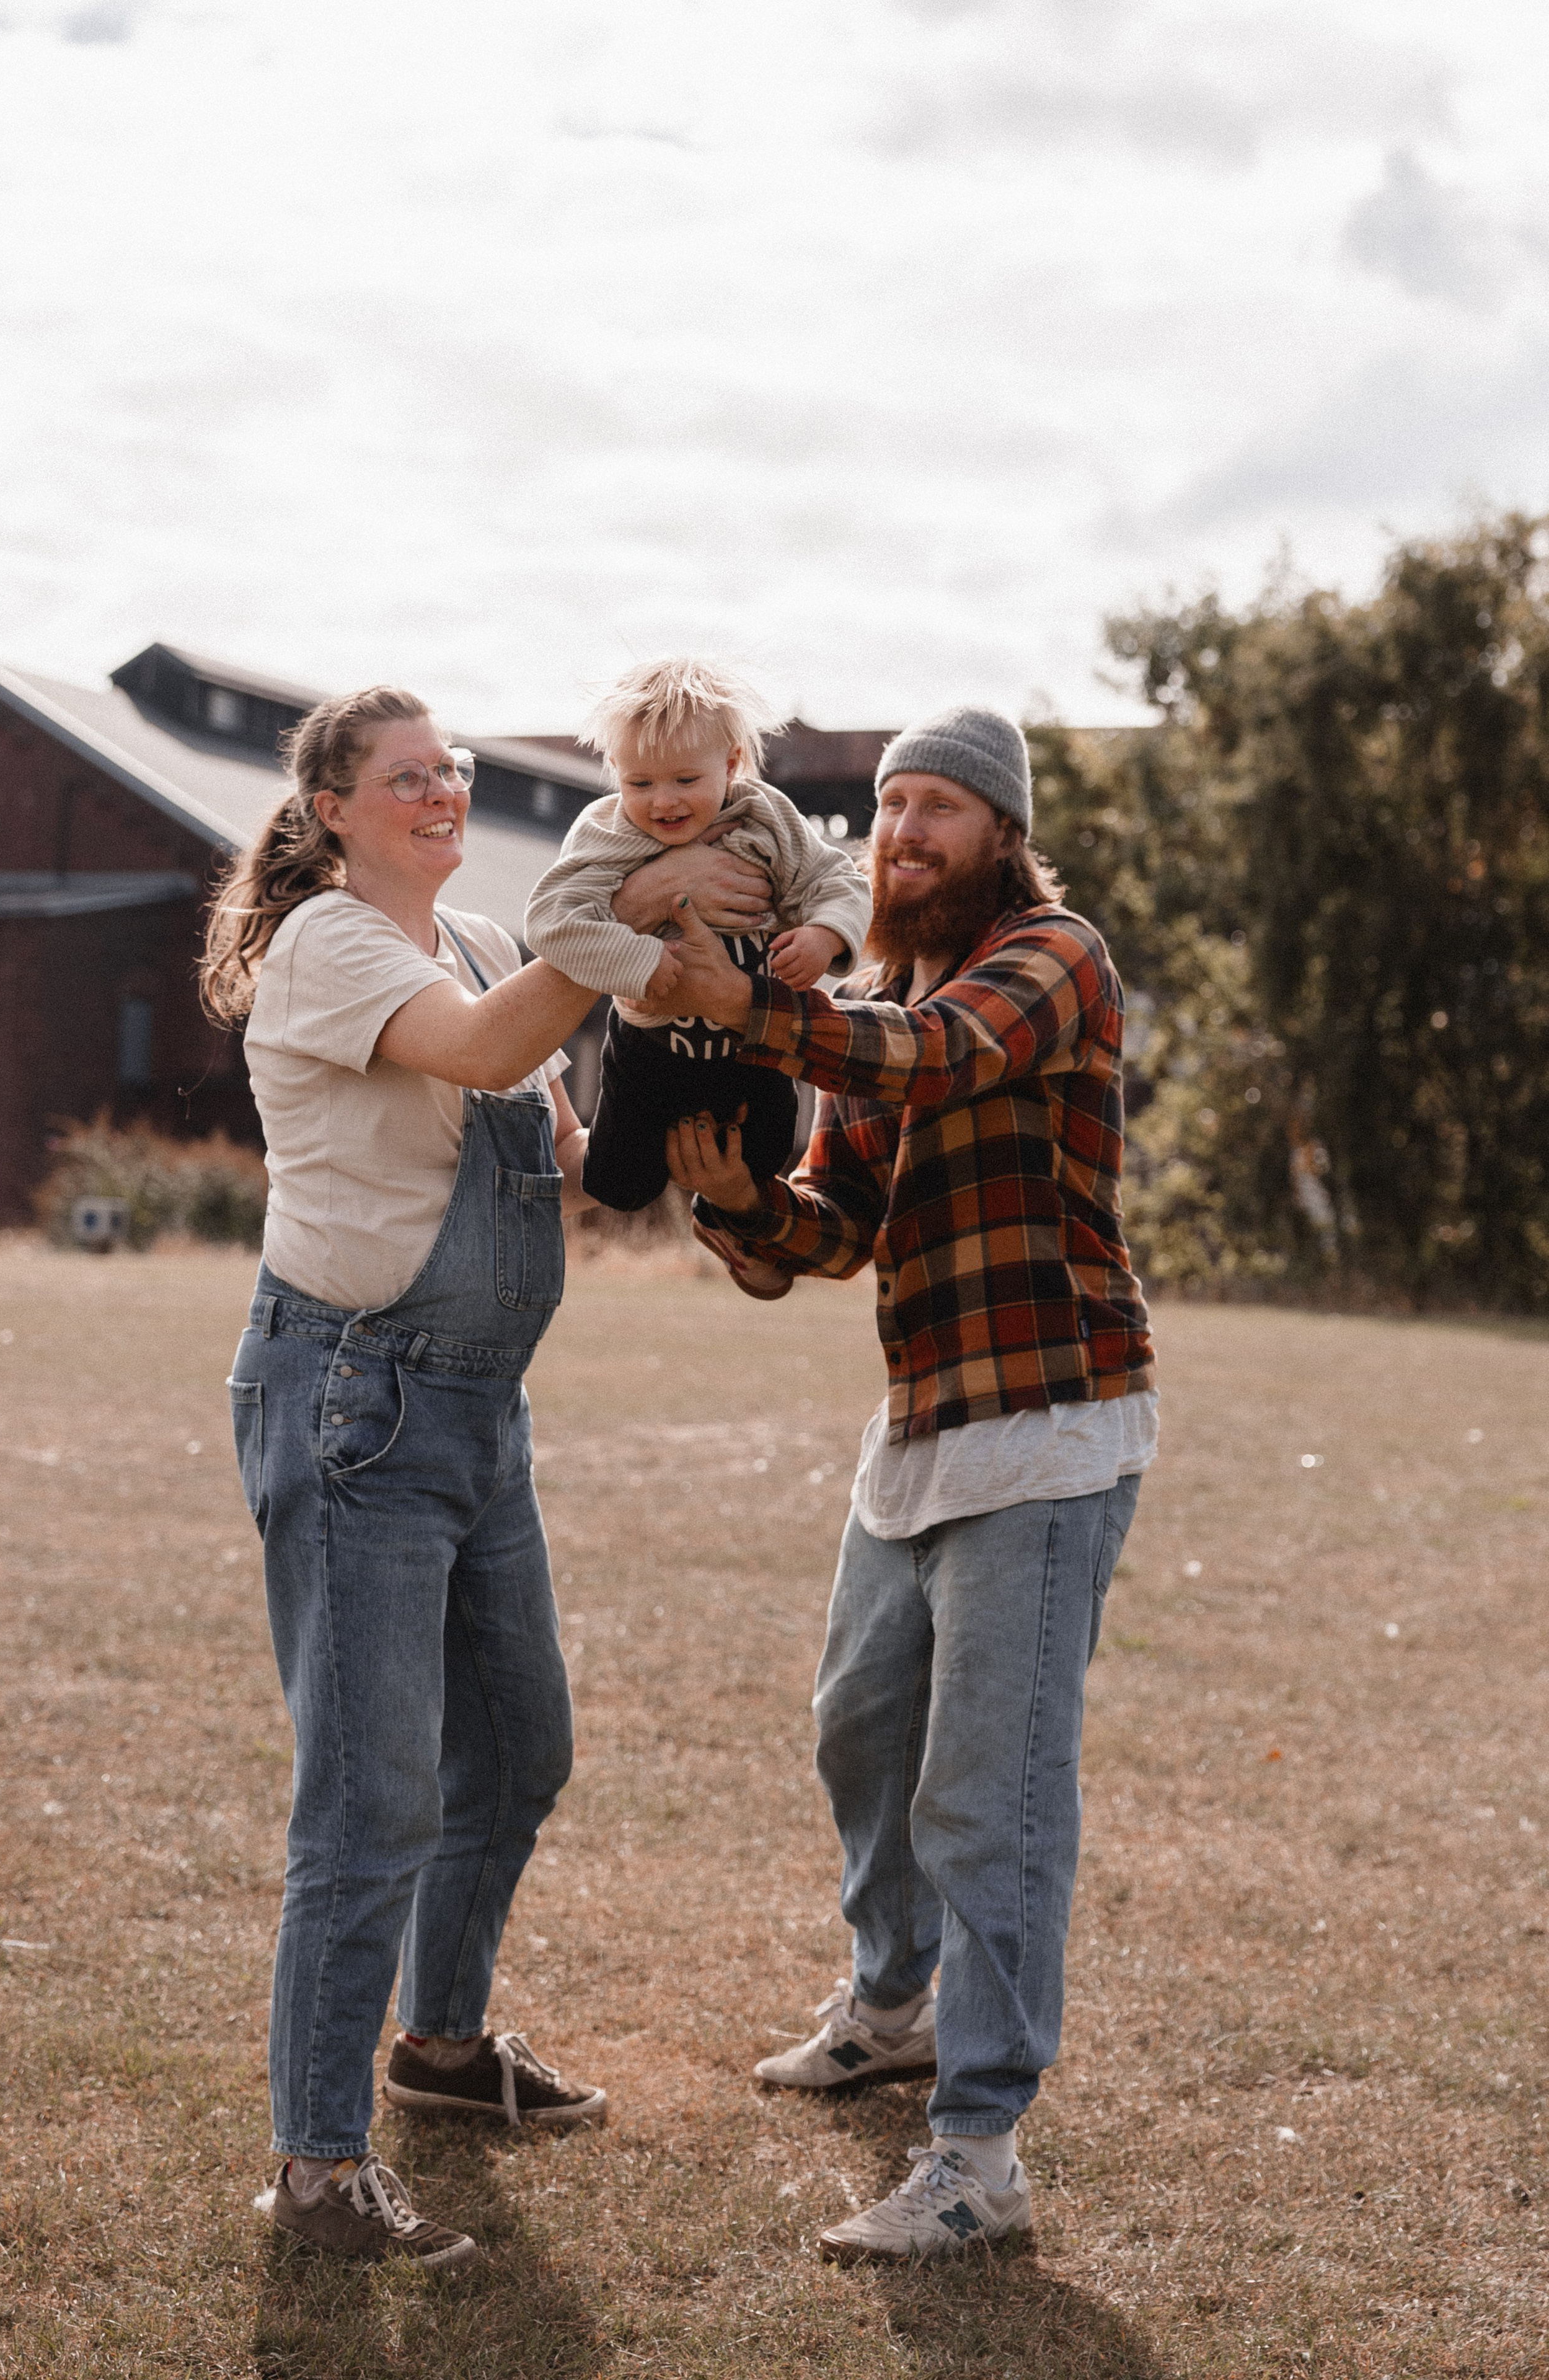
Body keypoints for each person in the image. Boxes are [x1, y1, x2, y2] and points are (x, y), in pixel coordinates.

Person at [653, 705, 1158, 2265]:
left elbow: (942, 1054)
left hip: (1051, 1424)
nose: (904, 834)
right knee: (858, 1730)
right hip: (923, 1425)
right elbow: (834, 1226)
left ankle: (978, 2150)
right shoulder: (874, 1005)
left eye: (940, 806)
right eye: (890, 808)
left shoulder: (1052, 958)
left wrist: (745, 1005)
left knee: (988, 1792)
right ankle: (890, 2005)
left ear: (1001, 831)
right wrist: (742, 1206)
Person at [200, 687, 609, 2269]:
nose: (443, 792)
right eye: (406, 777)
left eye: (452, 769)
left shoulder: (490, 943)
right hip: (352, 1404)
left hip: (476, 1407)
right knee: (369, 1799)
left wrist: (733, 1115)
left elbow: (567, 1152)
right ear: (332, 812)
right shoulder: (326, 945)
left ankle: (439, 2046)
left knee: (515, 1744)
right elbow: (492, 1052)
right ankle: (315, 2171)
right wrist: (628, 920)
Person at [523, 657, 871, 1214]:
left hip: (752, 1043)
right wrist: (638, 957)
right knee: (619, 1183)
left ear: (731, 764)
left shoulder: (766, 818)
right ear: (615, 772)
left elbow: (838, 880)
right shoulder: (606, 833)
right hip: (649, 1048)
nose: (664, 801)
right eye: (640, 783)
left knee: (762, 1160)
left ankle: (726, 1212)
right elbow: (551, 919)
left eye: (686, 780)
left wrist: (825, 935)